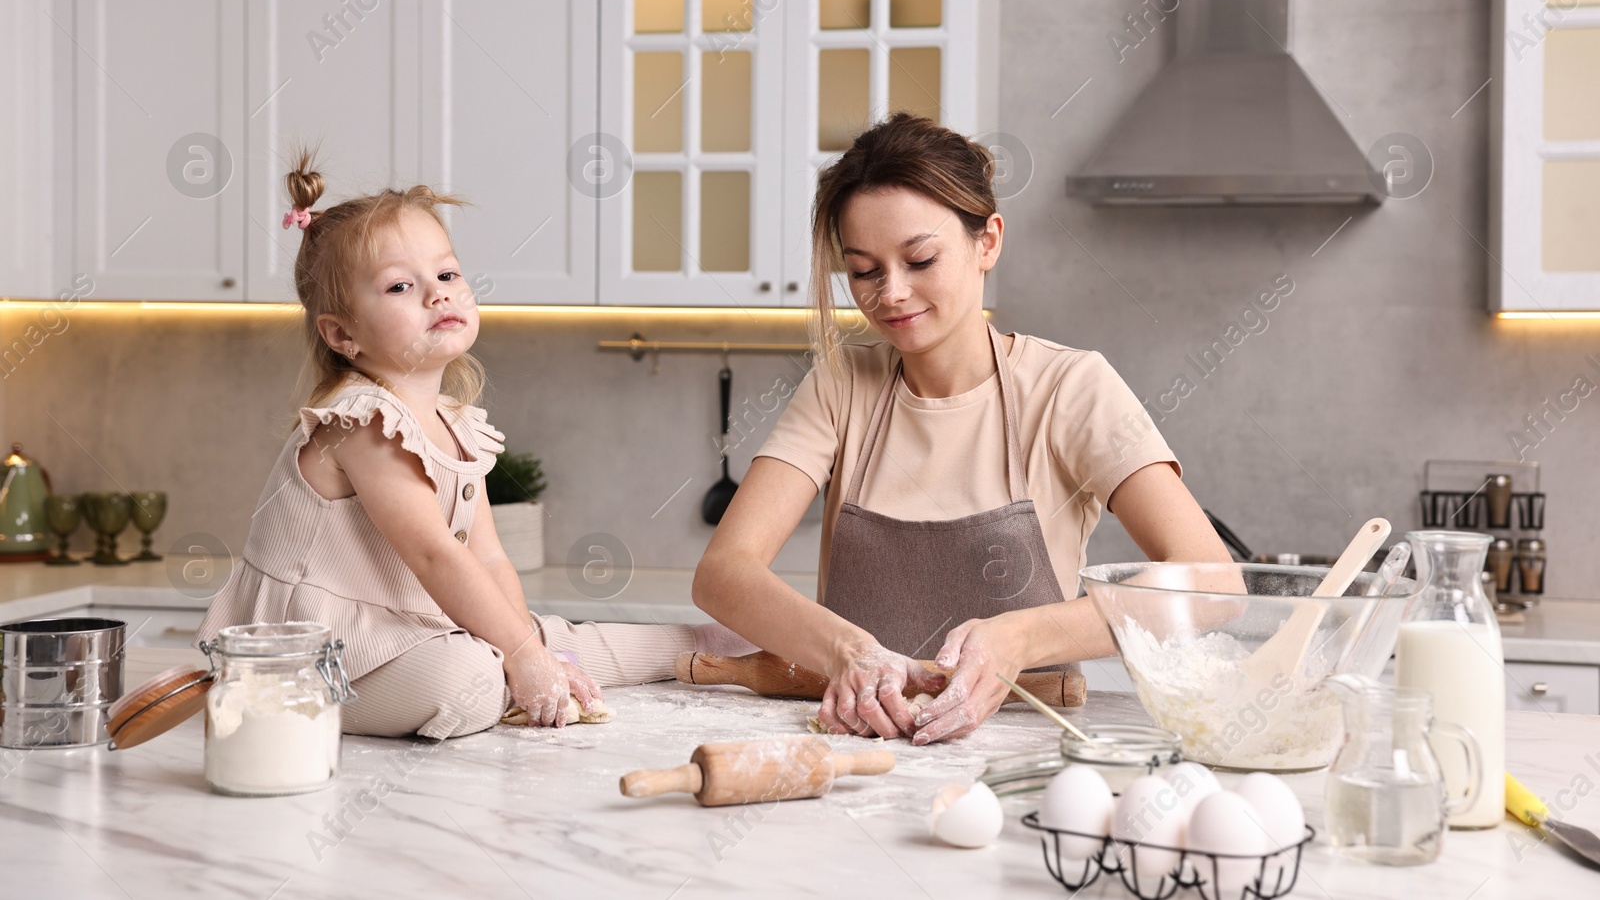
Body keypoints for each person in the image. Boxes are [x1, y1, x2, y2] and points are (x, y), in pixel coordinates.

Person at [692, 113, 1232, 745]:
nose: (891, 293)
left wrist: (1022, 635)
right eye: (864, 271)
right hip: (861, 755)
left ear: (988, 242)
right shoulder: (841, 386)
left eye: (920, 259)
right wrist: (847, 652)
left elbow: (1214, 585)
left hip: (1020, 754)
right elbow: (724, 572)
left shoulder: (1070, 388)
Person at [194, 149, 750, 738]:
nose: (437, 294)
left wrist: (529, 648)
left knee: (543, 638)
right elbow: (436, 554)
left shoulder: (456, 424)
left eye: (448, 275)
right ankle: (265, 694)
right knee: (473, 676)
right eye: (401, 286)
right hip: (308, 650)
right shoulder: (360, 423)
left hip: (399, 626)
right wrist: (516, 656)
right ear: (342, 334)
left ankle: (702, 648)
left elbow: (485, 558)